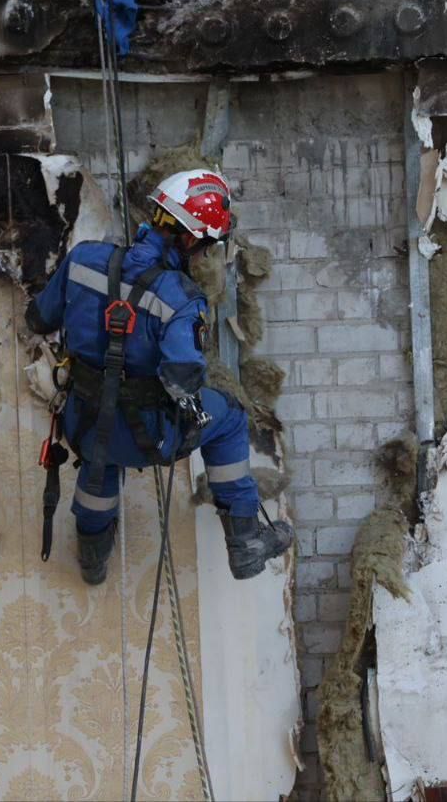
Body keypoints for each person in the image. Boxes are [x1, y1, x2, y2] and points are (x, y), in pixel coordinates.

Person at [26, 169, 293, 584]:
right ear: (190, 239)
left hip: (84, 422)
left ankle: (92, 556)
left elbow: (38, 317)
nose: (204, 255)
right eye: (205, 246)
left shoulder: (82, 260)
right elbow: (181, 376)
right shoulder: (182, 299)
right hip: (150, 436)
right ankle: (244, 540)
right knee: (231, 417)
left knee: (100, 454)